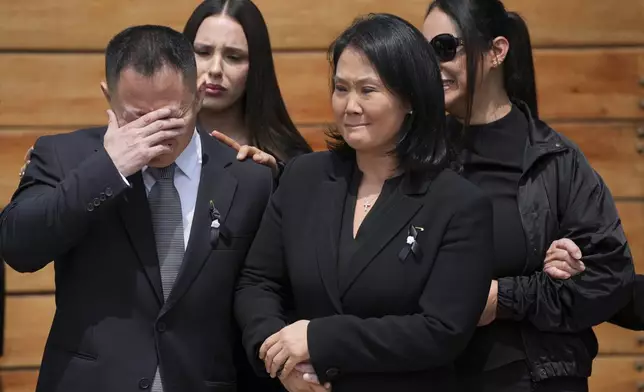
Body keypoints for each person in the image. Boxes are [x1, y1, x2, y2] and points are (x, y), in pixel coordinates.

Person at [0, 25, 273, 392]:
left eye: (170, 118)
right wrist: (107, 170)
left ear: (196, 98)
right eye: (137, 118)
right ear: (108, 96)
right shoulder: (65, 157)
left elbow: (264, 291)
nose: (154, 133)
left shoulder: (248, 178)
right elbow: (18, 246)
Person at [234, 13, 495, 392]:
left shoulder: (458, 203)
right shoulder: (304, 177)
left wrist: (320, 340)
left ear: (410, 99)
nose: (350, 106)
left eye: (368, 90)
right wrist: (278, 355)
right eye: (341, 88)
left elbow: (442, 330)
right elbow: (258, 282)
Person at [422, 1, 635, 391]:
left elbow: (609, 278)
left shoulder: (555, 159)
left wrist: (504, 297)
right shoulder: (418, 156)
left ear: (496, 52)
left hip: (533, 377)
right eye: (423, 51)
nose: (430, 63)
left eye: (444, 47)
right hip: (434, 371)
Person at [18, 0, 312, 180]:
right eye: (203, 52)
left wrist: (274, 181)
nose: (215, 69)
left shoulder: (290, 159)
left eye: (234, 56)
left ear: (256, 67)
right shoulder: (134, 141)